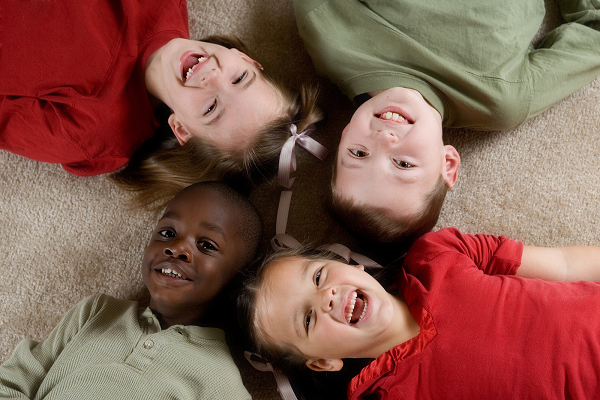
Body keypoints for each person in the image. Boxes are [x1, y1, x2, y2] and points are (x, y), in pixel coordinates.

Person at [292, 0, 600, 243]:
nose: (384, 139)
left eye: (358, 154)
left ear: (345, 135)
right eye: (403, 164)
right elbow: (593, 32)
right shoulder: (500, 100)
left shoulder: (328, 34)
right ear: (448, 164)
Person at [1, 0, 322, 209]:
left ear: (181, 128)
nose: (213, 76)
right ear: (245, 58)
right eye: (239, 78)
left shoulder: (94, 134)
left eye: (211, 108)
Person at [239, 228, 600, 399]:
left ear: (352, 266)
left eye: (318, 276)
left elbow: (564, 265)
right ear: (323, 362)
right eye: (307, 319)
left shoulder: (437, 256)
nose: (327, 298)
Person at [0, 181, 262, 399]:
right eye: (168, 232)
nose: (176, 247)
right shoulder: (97, 310)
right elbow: (16, 377)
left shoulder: (220, 380)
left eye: (206, 245)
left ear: (236, 283)